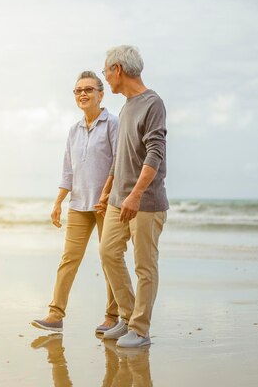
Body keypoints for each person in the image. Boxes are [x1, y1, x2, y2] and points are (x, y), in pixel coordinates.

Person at [31, 70, 120, 334]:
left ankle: (112, 317)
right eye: (78, 90)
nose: (83, 94)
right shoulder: (74, 130)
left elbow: (118, 163)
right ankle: (55, 315)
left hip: (107, 205)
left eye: (88, 89)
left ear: (100, 94)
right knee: (69, 259)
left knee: (110, 261)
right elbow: (68, 169)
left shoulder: (113, 124)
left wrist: (106, 194)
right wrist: (59, 201)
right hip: (79, 204)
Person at [96, 45, 169, 348]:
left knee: (144, 267)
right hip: (118, 200)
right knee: (108, 253)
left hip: (145, 202)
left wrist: (136, 195)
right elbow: (121, 155)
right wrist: (108, 188)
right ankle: (127, 316)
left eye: (105, 71)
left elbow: (156, 153)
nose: (106, 77)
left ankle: (140, 329)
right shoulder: (126, 106)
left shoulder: (153, 104)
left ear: (118, 70)